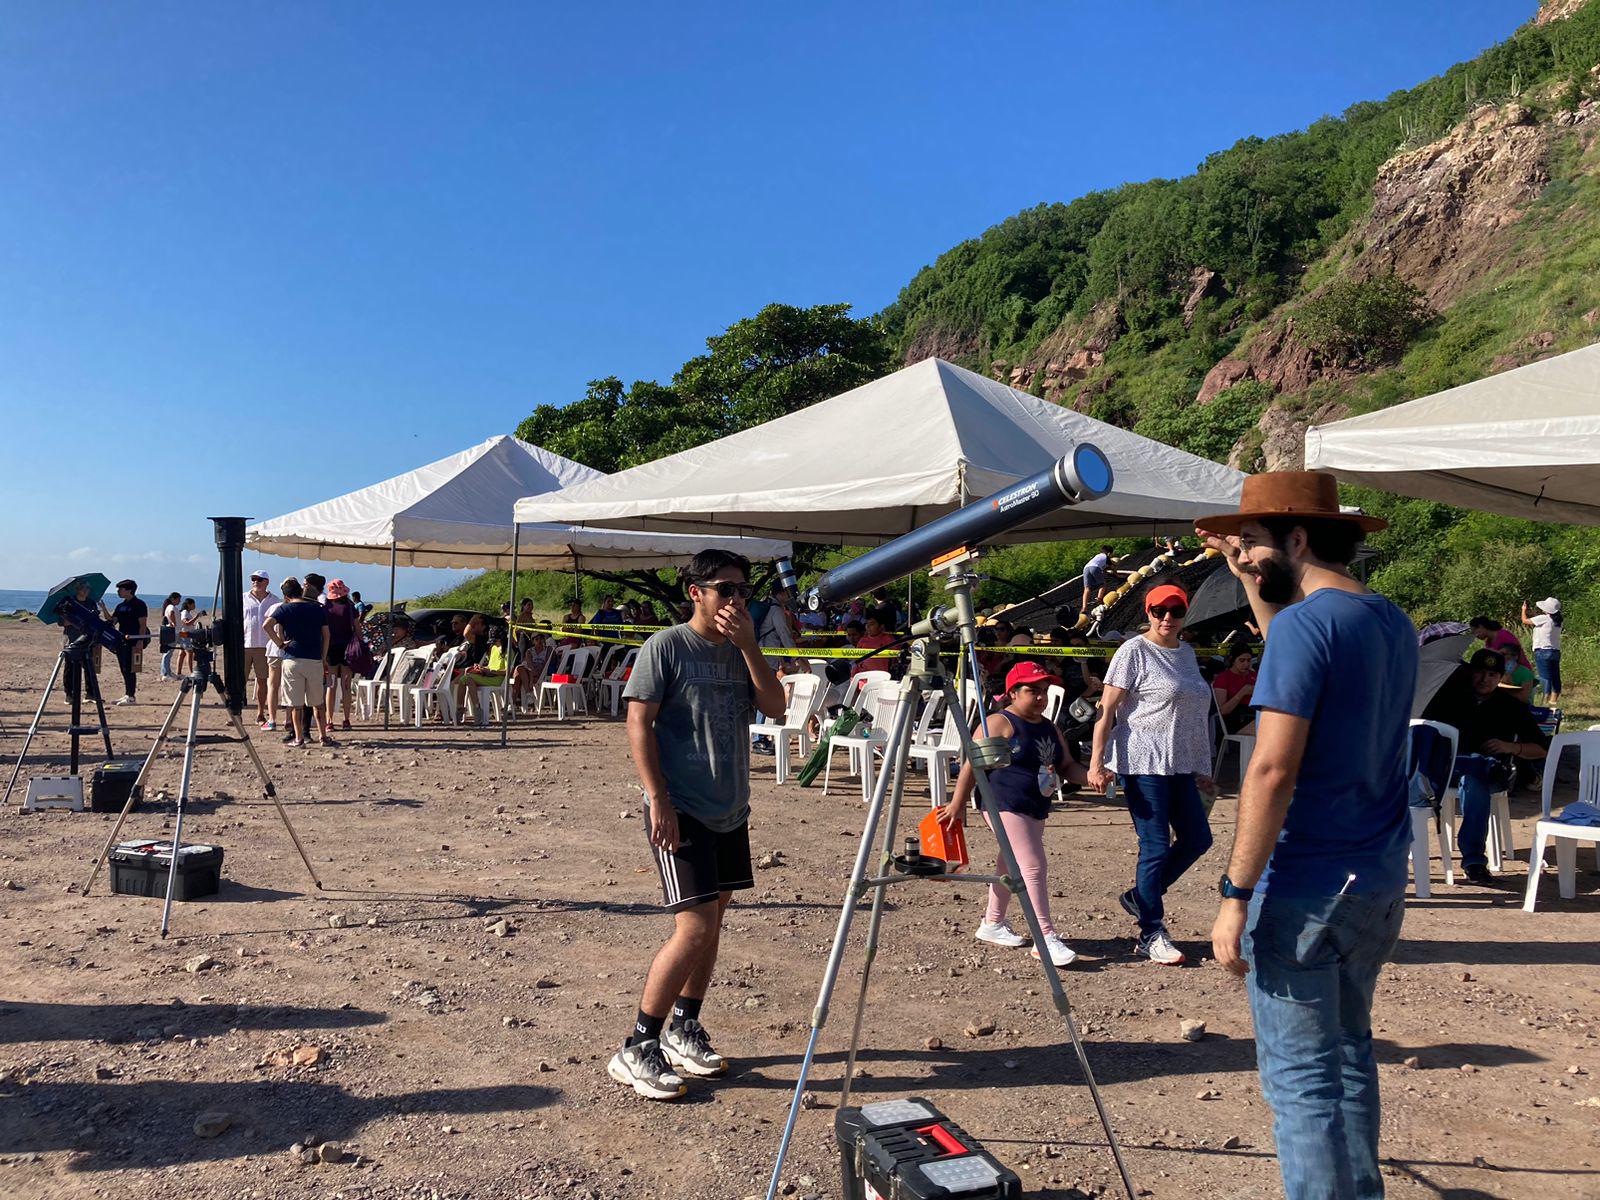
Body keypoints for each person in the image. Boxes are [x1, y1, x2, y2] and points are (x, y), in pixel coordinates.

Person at [1197, 470, 1417, 1200]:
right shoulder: (1389, 620)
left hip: (1307, 884)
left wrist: (1235, 892)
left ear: (1295, 538)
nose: (1246, 556)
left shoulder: (1305, 627)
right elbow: (1296, 640)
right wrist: (1254, 581)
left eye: (1253, 543)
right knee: (1350, 1053)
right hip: (1377, 879)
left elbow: (1269, 770)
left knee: (1299, 1081)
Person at [609, 549, 786, 1101]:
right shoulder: (665, 647)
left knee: (715, 920)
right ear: (697, 592)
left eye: (742, 590)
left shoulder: (740, 652)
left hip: (730, 807)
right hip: (680, 805)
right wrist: (657, 796)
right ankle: (638, 1045)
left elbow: (776, 708)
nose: (735, 599)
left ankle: (686, 1025)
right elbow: (638, 722)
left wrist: (751, 646)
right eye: (725, 589)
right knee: (695, 927)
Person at [1087, 584, 1214, 966]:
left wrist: (1202, 768)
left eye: (1175, 610)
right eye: (1159, 610)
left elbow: (1193, 717)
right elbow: (1106, 711)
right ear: (1148, 610)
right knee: (1155, 845)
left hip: (1178, 764)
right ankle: (1150, 931)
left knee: (1197, 838)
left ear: (1184, 613)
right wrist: (1098, 763)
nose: (1166, 617)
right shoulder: (1134, 651)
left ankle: (1140, 897)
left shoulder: (1188, 653)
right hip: (1142, 762)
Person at [939, 661, 1084, 967]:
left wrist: (1095, 777)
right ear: (1013, 693)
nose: (1041, 697)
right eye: (1033, 690)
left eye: (1044, 691)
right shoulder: (999, 722)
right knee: (1032, 865)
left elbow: (1067, 766)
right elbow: (972, 764)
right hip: (1003, 802)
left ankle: (992, 923)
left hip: (1035, 805)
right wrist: (957, 803)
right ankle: (1044, 937)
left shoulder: (1050, 728)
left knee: (1010, 861)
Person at [1423, 648, 1549, 883]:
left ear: (1501, 677)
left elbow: (1541, 748)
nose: (1485, 679)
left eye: (1492, 674)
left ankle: (1473, 859)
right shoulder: (1449, 700)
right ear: (1470, 673)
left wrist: (1512, 748)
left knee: (1474, 779)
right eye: (1480, 672)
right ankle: (1401, 850)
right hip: (1449, 767)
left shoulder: (1511, 706)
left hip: (1491, 771)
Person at [264, 577, 331, 748]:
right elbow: (326, 634)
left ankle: (299, 738)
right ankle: (323, 736)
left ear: (285, 595)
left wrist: (280, 644)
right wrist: (323, 657)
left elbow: (267, 625)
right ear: (301, 591)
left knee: (295, 704)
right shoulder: (316, 608)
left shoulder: (284, 608)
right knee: (317, 702)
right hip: (314, 658)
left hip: (292, 657)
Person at [322, 580, 362, 730]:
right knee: (346, 686)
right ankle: (346, 720)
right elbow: (357, 629)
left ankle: (329, 721)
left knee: (331, 686)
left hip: (331, 650)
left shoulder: (325, 607)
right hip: (348, 651)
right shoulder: (351, 608)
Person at [106, 579, 150, 705]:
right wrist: (103, 608)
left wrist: (140, 640)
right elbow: (113, 620)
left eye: (121, 589)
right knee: (124, 668)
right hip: (122, 639)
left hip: (134, 639)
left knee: (131, 668)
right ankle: (127, 694)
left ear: (129, 590)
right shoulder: (121, 606)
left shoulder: (139, 604)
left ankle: (131, 696)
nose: (118, 591)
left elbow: (142, 624)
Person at [242, 570, 275, 725]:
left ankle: (260, 713)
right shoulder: (243, 598)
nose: (255, 581)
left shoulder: (274, 600)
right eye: (253, 578)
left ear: (266, 581)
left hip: (264, 646)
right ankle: (236, 713)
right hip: (245, 645)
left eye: (259, 579)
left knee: (262, 680)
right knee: (239, 681)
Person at [262, 578, 294, 731]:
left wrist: (278, 642)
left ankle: (272, 719)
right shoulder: (296, 607)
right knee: (288, 686)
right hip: (290, 650)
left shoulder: (276, 606)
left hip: (276, 650)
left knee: (273, 685)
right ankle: (288, 719)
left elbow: (268, 625)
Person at [1522, 597, 1563, 705]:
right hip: (1555, 651)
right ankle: (1553, 701)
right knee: (1555, 677)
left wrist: (1523, 610)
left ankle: (1544, 702)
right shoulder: (1558, 621)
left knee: (1545, 678)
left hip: (1543, 651)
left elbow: (1525, 621)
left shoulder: (1543, 618)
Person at [1212, 647, 1258, 735]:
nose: (1246, 664)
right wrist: (1242, 692)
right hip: (1236, 719)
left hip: (1255, 714)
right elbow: (1223, 711)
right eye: (1242, 660)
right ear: (1233, 660)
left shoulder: (1254, 675)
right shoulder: (1224, 678)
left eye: (1249, 660)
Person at [1080, 544, 1117, 614]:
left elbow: (1101, 567)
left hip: (1086, 568)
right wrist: (1117, 575)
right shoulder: (1107, 557)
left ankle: (1084, 607)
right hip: (1095, 568)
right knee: (1103, 584)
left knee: (1087, 588)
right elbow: (1112, 568)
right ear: (1109, 553)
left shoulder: (1097, 556)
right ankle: (1099, 599)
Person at [175, 599, 202, 678]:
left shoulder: (187, 613)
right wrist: (196, 616)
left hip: (185, 634)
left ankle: (179, 673)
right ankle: (191, 672)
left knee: (182, 654)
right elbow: (187, 623)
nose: (194, 606)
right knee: (189, 653)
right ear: (188, 604)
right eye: (193, 604)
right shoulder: (185, 613)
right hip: (185, 635)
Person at [158, 592, 182, 680]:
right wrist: (173, 623)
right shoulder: (171, 607)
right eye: (178, 599)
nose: (179, 601)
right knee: (168, 653)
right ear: (173, 599)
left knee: (168, 653)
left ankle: (166, 672)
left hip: (174, 632)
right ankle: (165, 673)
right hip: (173, 632)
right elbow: (171, 613)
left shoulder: (169, 607)